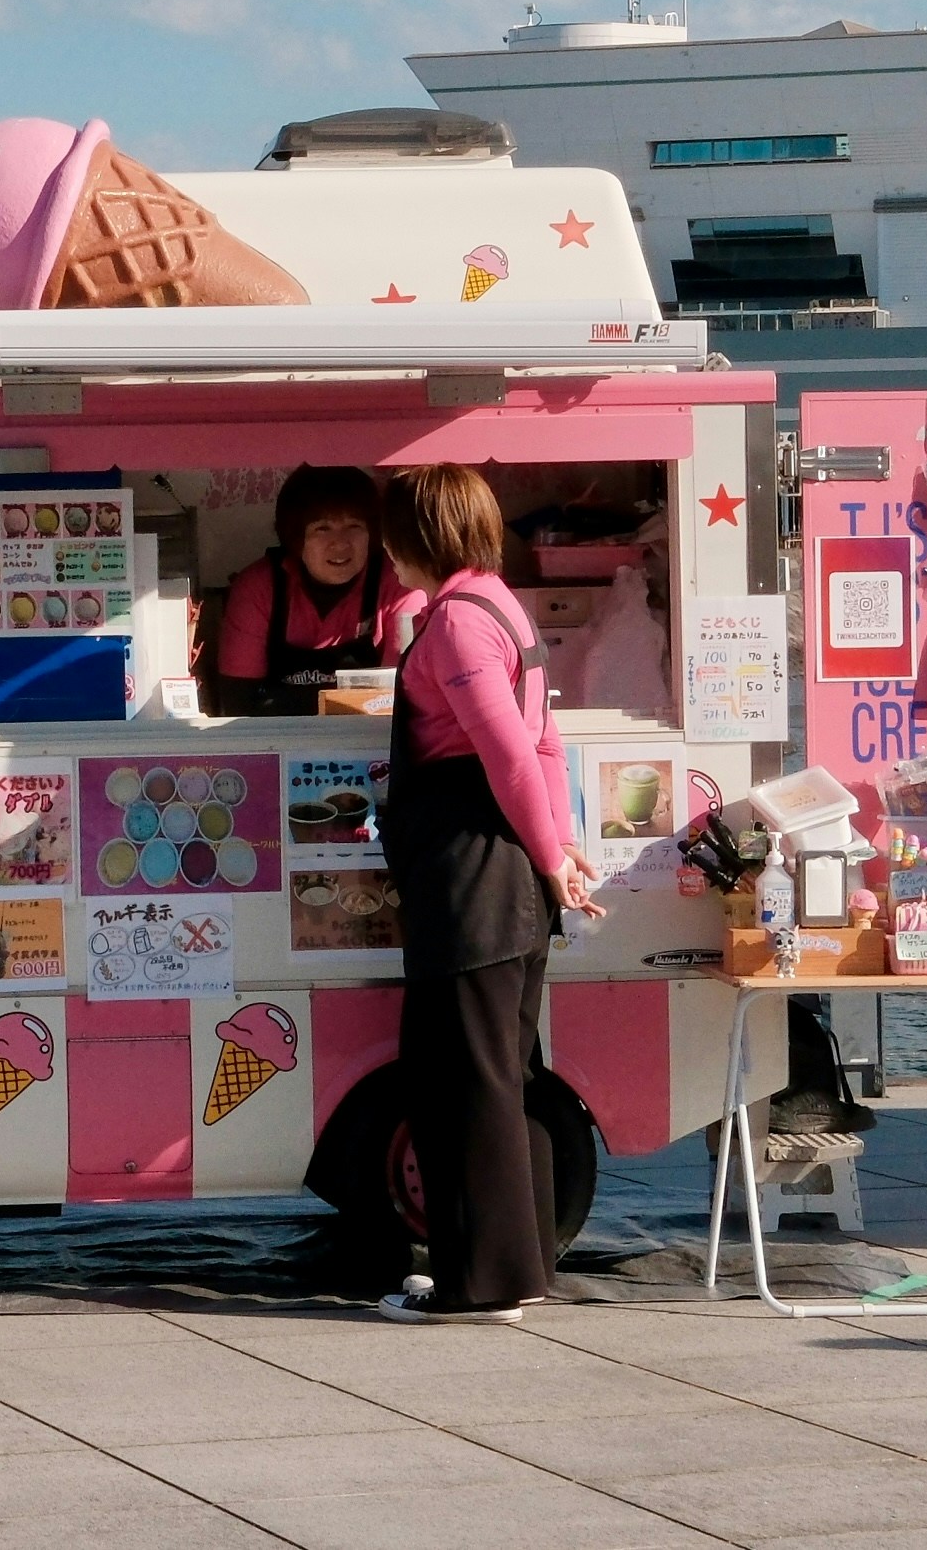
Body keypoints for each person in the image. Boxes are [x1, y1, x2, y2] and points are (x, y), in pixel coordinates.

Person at [373, 463, 603, 1324]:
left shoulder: (457, 628)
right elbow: (544, 746)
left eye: (393, 535)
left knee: (458, 1080)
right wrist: (560, 849)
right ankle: (515, 1263)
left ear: (417, 536)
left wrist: (552, 858)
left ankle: (483, 1282)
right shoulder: (495, 601)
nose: (385, 552)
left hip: (473, 872)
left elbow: (508, 753)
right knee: (499, 1075)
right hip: (505, 872)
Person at [211, 466, 423, 715]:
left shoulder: (399, 582)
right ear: (296, 537)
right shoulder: (257, 588)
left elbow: (409, 695)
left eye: (354, 526)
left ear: (373, 534)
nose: (340, 543)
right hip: (277, 741)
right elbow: (238, 705)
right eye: (323, 528)